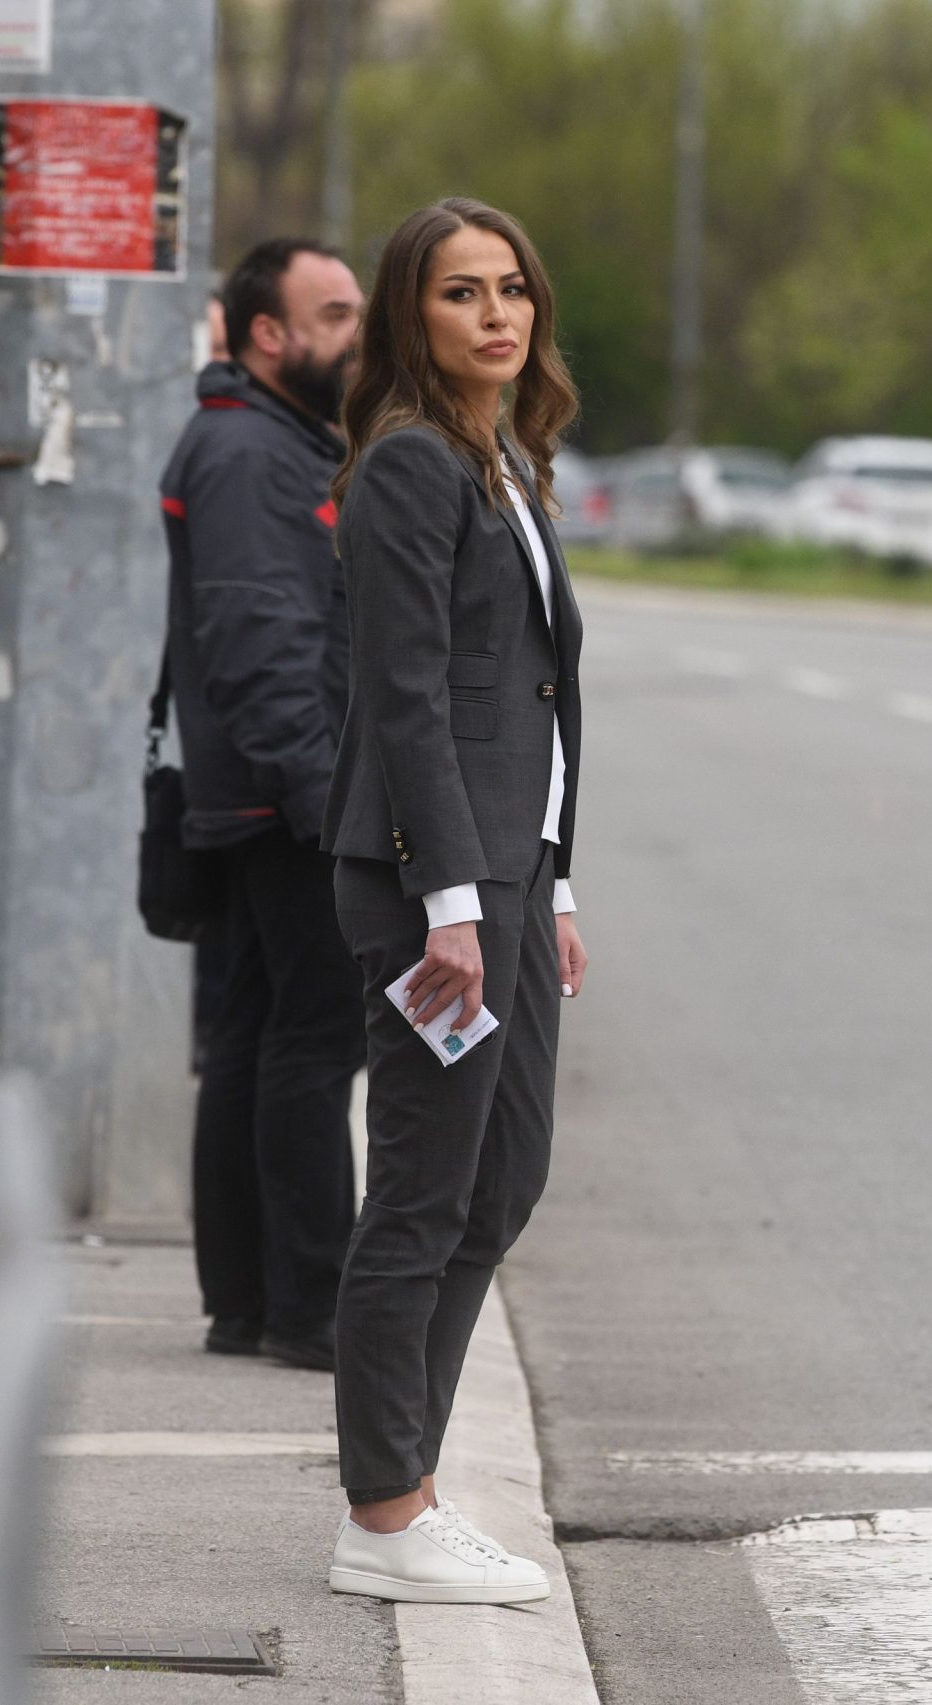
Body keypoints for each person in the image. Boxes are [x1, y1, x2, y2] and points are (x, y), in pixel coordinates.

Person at [318, 198, 589, 1604]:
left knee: (502, 1177)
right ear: (411, 319)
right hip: (440, 891)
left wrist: (551, 881)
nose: (497, 315)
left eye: (513, 290)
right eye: (461, 294)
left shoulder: (505, 465)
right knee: (423, 1192)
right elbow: (410, 700)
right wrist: (452, 906)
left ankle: (408, 1482)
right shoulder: (411, 469)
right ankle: (381, 1513)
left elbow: (527, 703)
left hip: (507, 877)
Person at [160, 238, 368, 1371]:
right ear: (267, 335)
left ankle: (245, 1302)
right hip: (286, 795)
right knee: (314, 1035)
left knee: (255, 1031)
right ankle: (309, 1309)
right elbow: (258, 637)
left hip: (260, 789)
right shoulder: (250, 450)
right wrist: (319, 797)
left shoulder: (277, 440)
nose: (357, 331)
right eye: (334, 313)